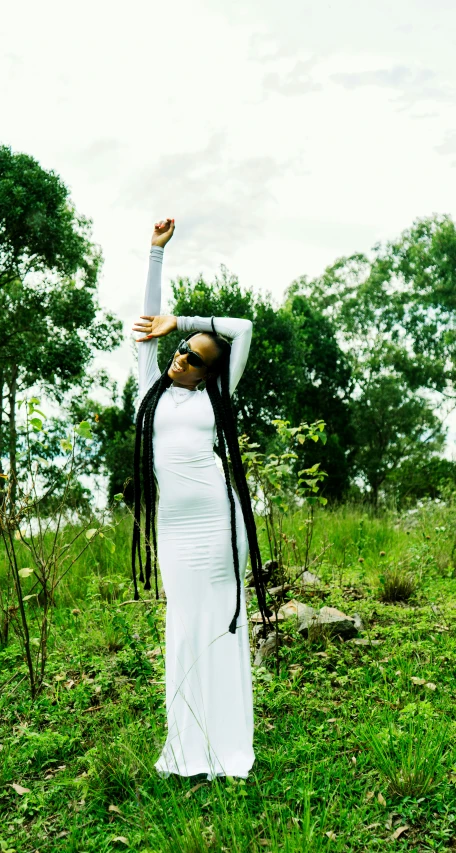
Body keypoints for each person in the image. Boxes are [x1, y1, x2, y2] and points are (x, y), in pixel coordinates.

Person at [131, 218, 272, 781]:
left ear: (211, 372)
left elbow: (244, 325)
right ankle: (188, 744)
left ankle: (227, 745)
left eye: (193, 356)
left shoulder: (215, 400)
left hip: (219, 525)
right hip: (176, 532)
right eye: (181, 349)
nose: (181, 357)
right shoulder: (151, 387)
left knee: (219, 624)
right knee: (185, 626)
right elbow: (145, 328)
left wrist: (187, 319)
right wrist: (155, 256)